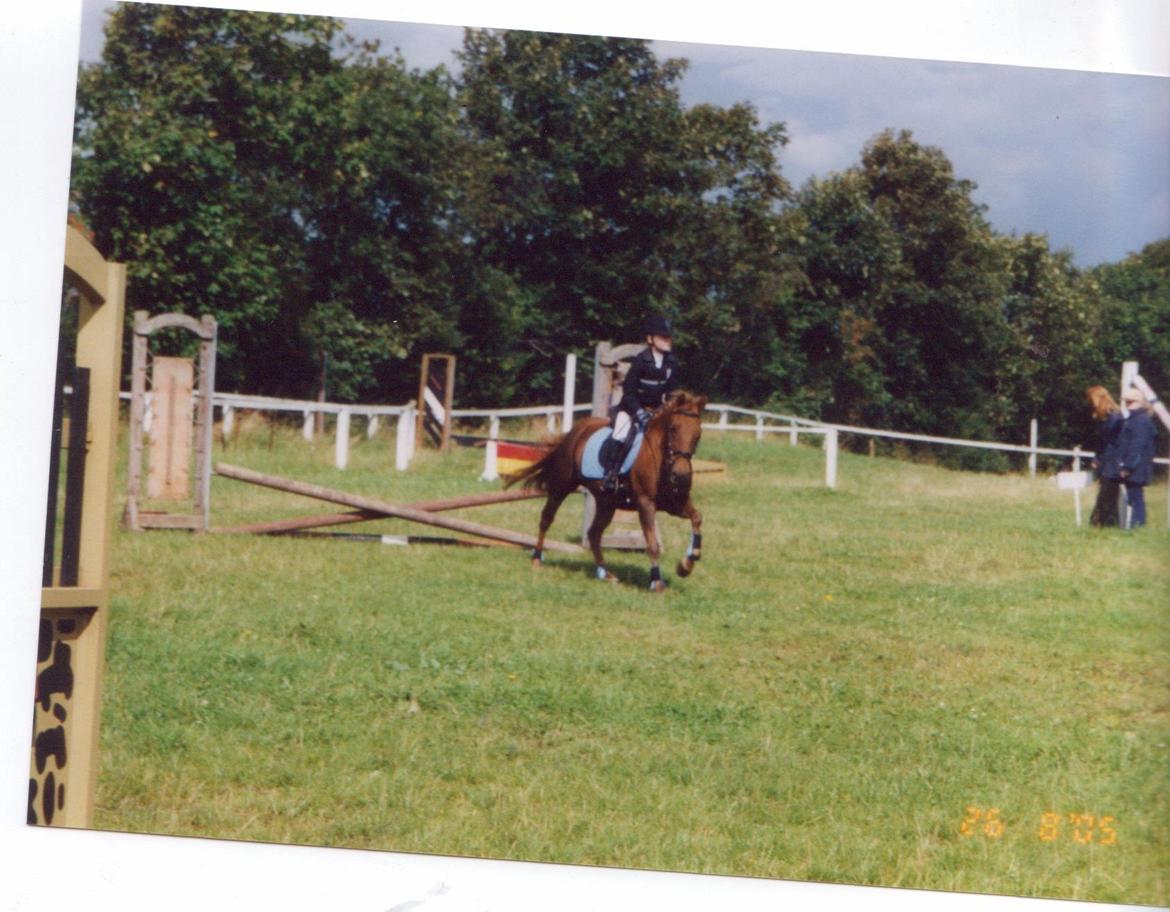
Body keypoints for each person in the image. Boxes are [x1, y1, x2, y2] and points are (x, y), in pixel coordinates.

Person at [600, 315, 681, 493]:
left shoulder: (671, 363)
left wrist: (668, 408)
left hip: (655, 411)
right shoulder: (640, 361)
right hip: (630, 408)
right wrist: (638, 411)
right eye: (663, 337)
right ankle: (610, 474)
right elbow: (628, 392)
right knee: (621, 431)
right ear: (650, 339)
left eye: (669, 337)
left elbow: (671, 391)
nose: (668, 340)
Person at [1085, 385, 1124, 527]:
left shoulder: (1115, 418)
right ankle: (1099, 522)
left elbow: (1114, 442)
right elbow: (1101, 442)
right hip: (1106, 461)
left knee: (1109, 495)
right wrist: (1097, 457)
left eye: (1092, 399)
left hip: (1113, 462)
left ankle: (1107, 523)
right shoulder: (1104, 419)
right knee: (1105, 493)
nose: (1091, 403)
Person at [1118, 387, 1157, 528]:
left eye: (1131, 402)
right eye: (1127, 402)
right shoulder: (1133, 420)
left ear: (1140, 402)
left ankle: (1138, 525)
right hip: (1134, 466)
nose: (1129, 405)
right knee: (1132, 497)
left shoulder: (1141, 421)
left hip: (1137, 467)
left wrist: (1128, 467)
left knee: (1136, 497)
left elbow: (1137, 447)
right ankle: (1135, 525)